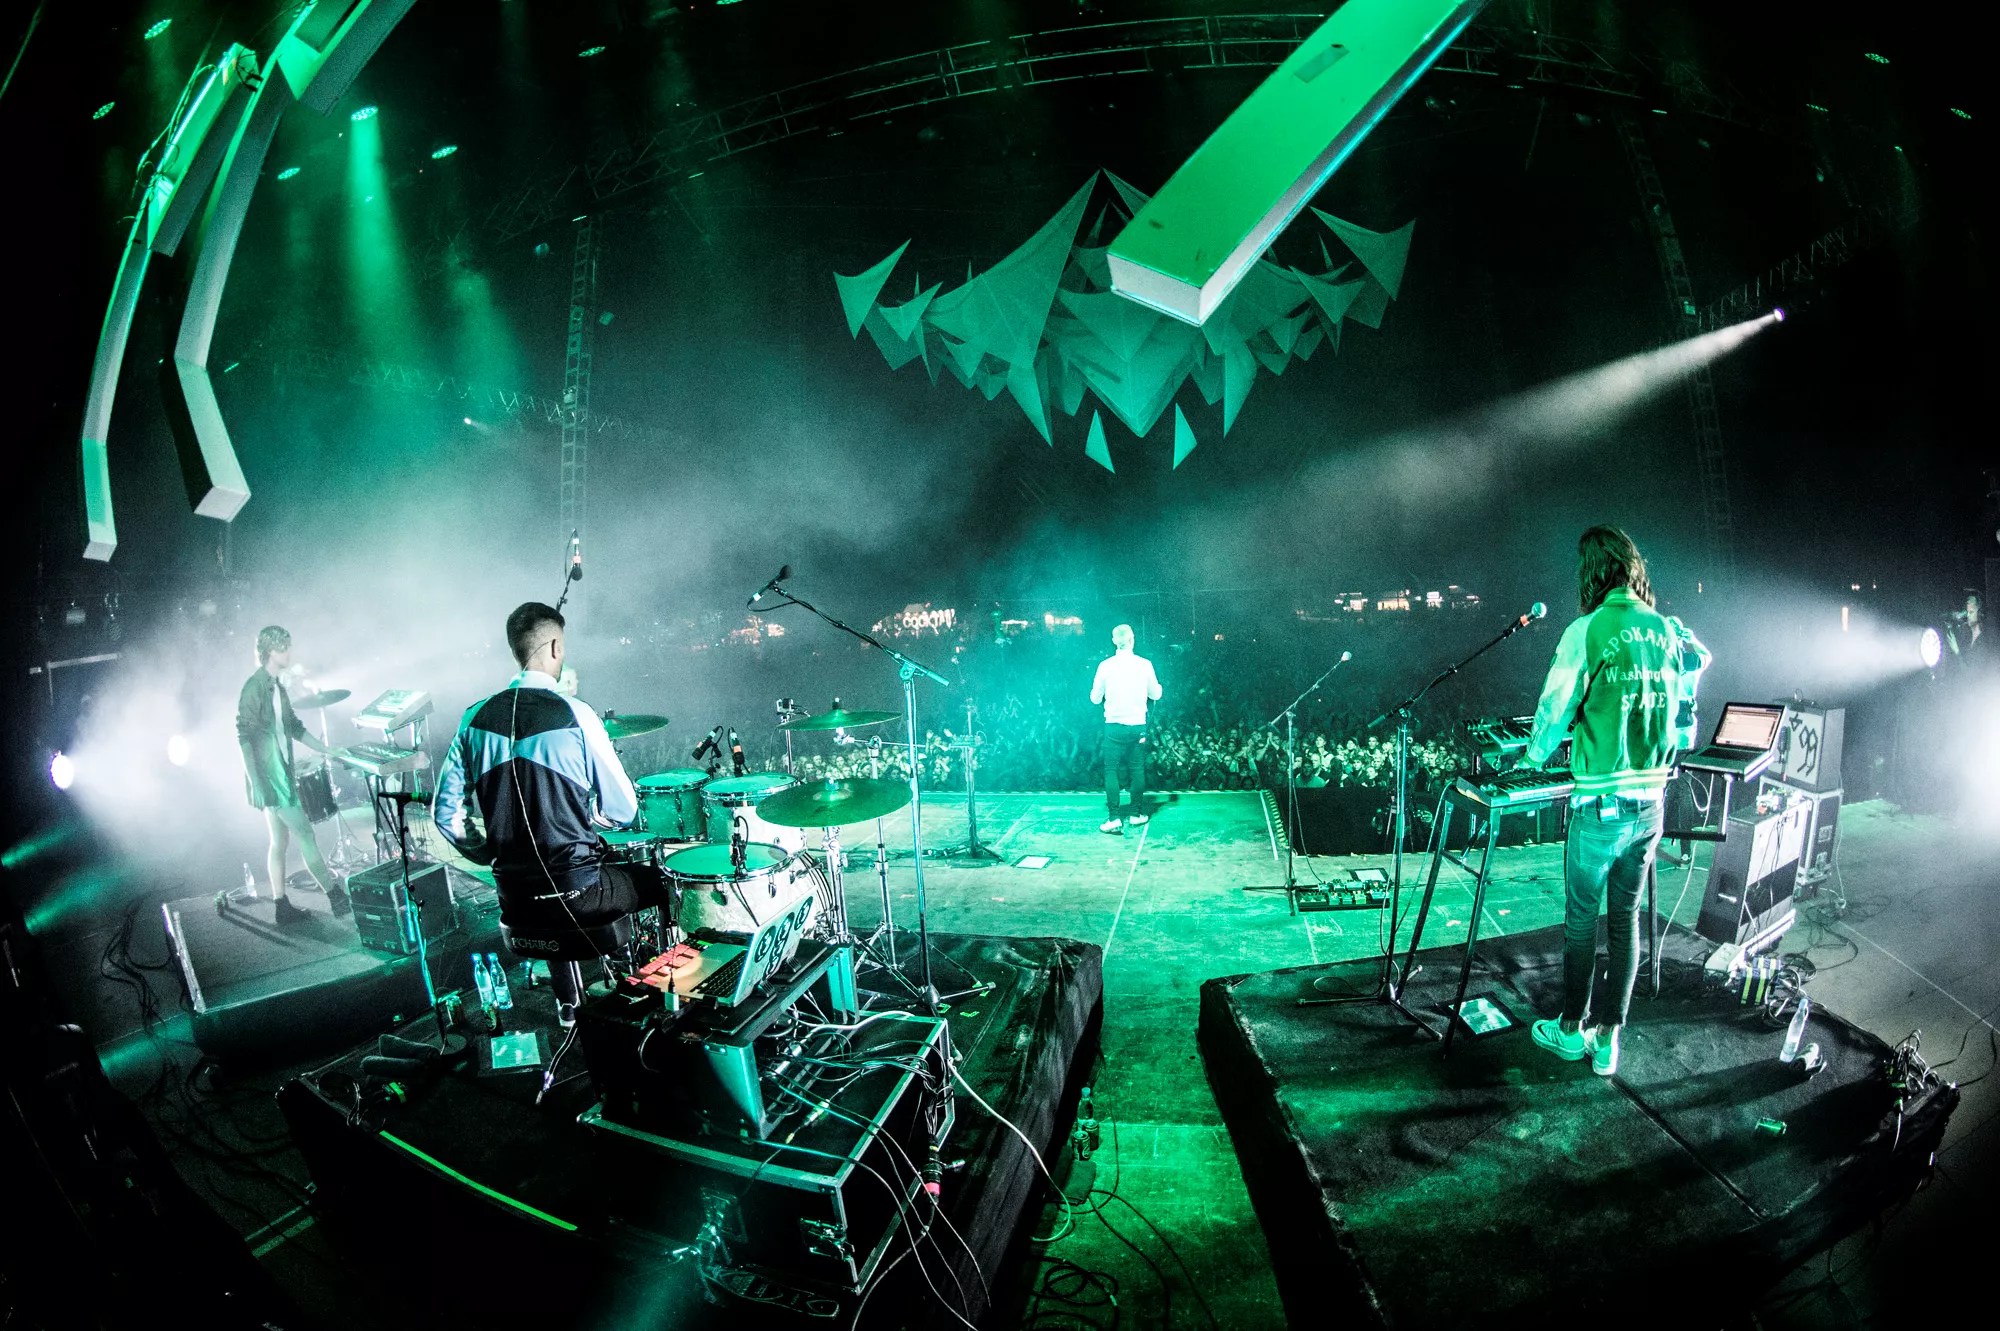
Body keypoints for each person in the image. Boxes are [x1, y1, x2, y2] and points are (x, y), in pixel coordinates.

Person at [432, 603, 687, 1025]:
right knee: (663, 882)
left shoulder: (473, 718)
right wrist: (587, 823)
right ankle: (663, 1002)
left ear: (516, 649)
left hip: (514, 902)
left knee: (548, 887)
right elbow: (622, 810)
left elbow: (446, 816)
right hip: (580, 896)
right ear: (555, 646)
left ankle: (569, 1003)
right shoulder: (575, 714)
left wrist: (488, 853)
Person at [1516, 527, 1696, 1078]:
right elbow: (1683, 722)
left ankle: (1571, 1030)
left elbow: (1554, 709)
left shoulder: (1587, 630)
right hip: (1651, 804)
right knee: (1625, 921)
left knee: (1580, 922)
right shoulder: (1667, 631)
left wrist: (1533, 755)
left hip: (1600, 807)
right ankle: (1608, 1040)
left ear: (1592, 573)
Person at [236, 626, 349, 923]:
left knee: (279, 841)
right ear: (271, 651)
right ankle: (336, 897)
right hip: (271, 779)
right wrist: (257, 783)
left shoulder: (278, 687)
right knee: (305, 834)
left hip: (277, 775)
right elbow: (244, 738)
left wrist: (327, 749)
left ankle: (281, 906)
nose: (290, 652)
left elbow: (295, 728)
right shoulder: (254, 688)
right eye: (285, 647)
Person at [1090, 623, 1162, 834]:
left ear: (1114, 641)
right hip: (1137, 725)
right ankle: (1136, 815)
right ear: (1132, 639)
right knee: (1137, 768)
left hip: (1113, 726)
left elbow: (1095, 699)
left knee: (1111, 770)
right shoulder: (1145, 664)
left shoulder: (1105, 666)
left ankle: (1114, 818)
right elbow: (1155, 695)